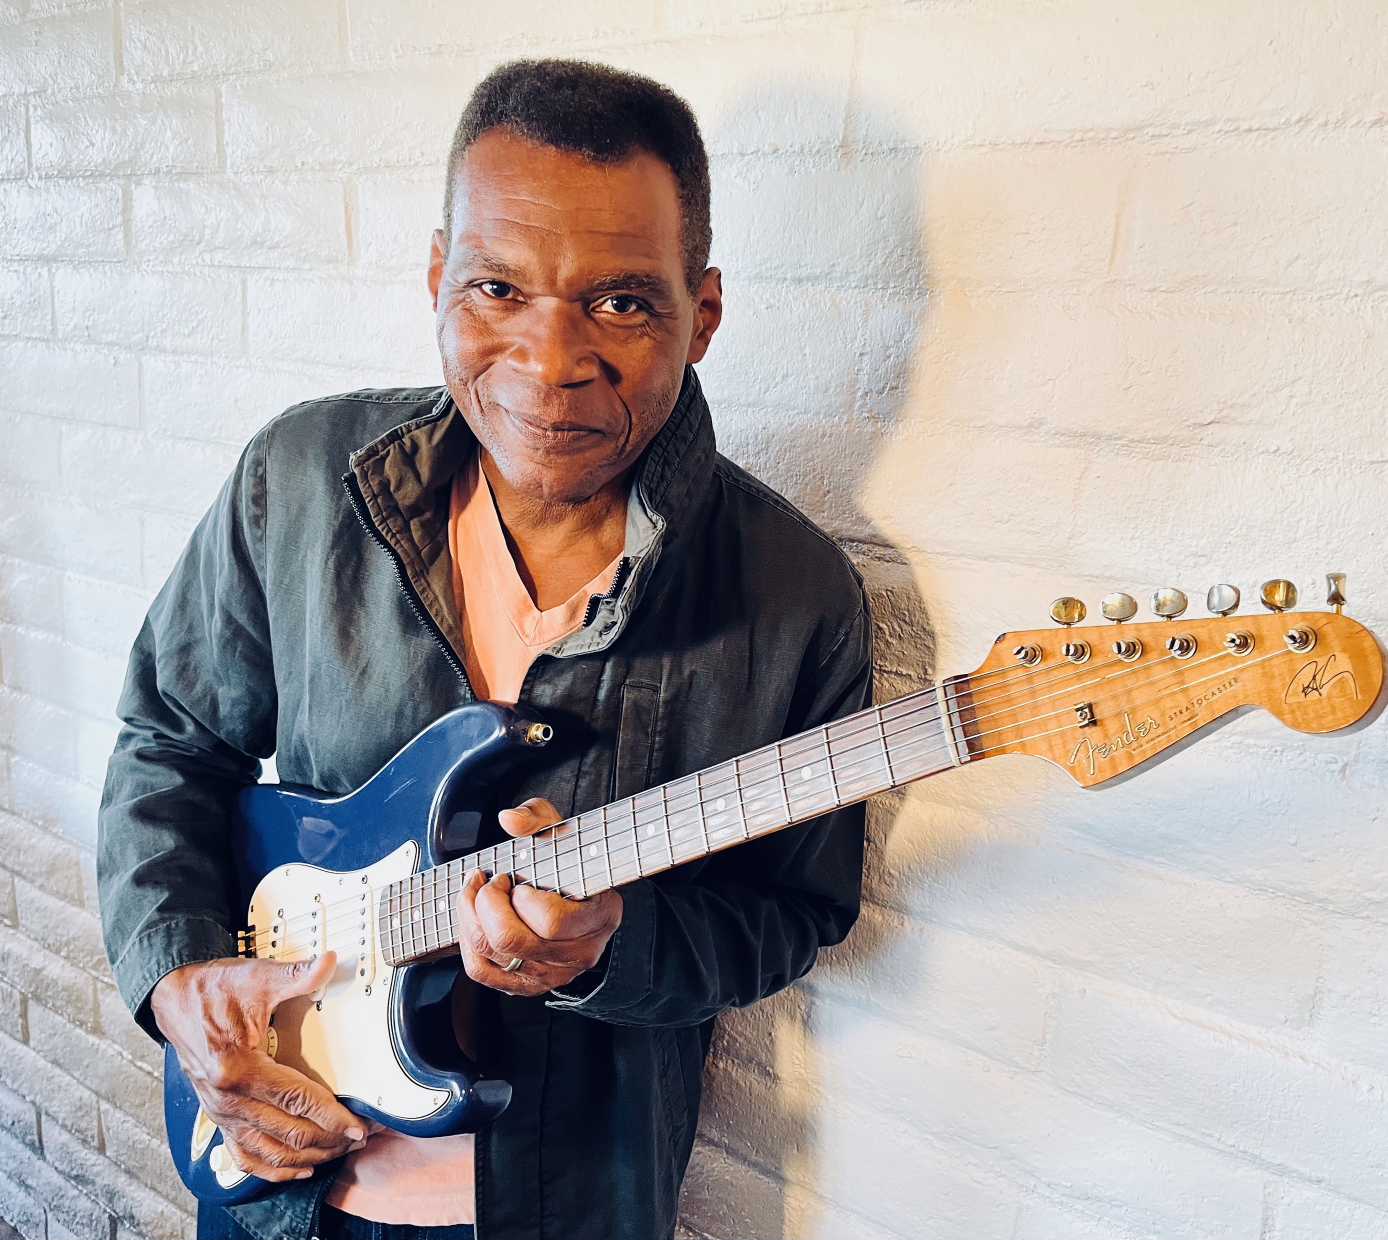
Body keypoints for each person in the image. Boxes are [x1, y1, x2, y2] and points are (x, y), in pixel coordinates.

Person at [98, 59, 870, 1240]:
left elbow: (788, 912)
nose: (546, 364)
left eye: (619, 302)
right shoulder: (297, 481)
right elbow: (168, 744)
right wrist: (178, 974)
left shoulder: (798, 593)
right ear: (435, 279)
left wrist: (612, 944)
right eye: (497, 289)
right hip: (274, 1184)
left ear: (700, 310)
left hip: (567, 1203)